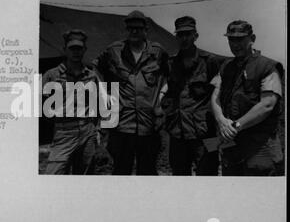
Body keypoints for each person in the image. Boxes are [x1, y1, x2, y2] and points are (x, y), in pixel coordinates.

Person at [92, 10, 169, 175]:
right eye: (130, 28)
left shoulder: (157, 52)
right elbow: (95, 69)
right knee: (121, 170)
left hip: (149, 124)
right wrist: (104, 95)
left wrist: (161, 99)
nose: (134, 31)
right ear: (126, 29)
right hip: (121, 124)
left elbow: (170, 76)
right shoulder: (114, 51)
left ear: (145, 30)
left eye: (138, 28)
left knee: (148, 171)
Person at [210, 20, 284, 176]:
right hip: (231, 142)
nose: (235, 44)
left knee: (260, 194)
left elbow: (267, 105)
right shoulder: (226, 66)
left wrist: (235, 126)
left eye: (240, 39)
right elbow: (215, 96)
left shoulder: (267, 66)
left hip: (260, 145)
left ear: (253, 38)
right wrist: (222, 121)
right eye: (231, 39)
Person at [161, 16, 223, 175]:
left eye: (188, 34)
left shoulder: (210, 61)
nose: (184, 38)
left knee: (209, 174)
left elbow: (220, 92)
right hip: (177, 131)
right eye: (180, 35)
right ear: (176, 37)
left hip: (207, 133)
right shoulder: (171, 63)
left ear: (195, 36)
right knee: (179, 176)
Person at [42, 29, 99, 175]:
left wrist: (96, 129)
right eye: (72, 48)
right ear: (64, 50)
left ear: (85, 50)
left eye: (79, 49)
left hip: (88, 133)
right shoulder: (52, 75)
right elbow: (40, 105)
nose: (76, 52)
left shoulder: (91, 75)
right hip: (63, 132)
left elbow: (100, 103)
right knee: (53, 174)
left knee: (85, 176)